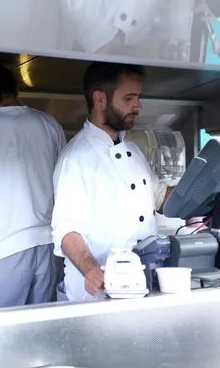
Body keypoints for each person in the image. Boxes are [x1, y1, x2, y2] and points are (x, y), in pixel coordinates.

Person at [51, 62, 173, 301]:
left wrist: (203, 190)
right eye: (129, 98)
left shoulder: (134, 151)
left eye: (138, 97)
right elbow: (68, 230)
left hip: (140, 285)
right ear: (100, 99)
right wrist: (91, 270)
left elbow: (160, 198)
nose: (138, 106)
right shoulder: (75, 159)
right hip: (97, 293)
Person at [0, 61, 66, 310]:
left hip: (3, 248)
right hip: (46, 246)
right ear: (15, 90)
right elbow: (63, 181)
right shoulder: (49, 123)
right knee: (37, 332)